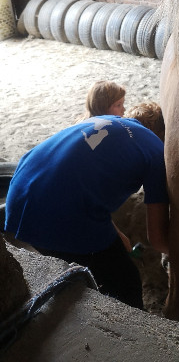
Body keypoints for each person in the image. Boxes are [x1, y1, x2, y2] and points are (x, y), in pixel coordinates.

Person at [4, 112, 169, 310]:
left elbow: (83, 173)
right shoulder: (157, 150)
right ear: (163, 133)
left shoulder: (107, 119)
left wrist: (115, 234)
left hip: (17, 194)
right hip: (59, 212)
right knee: (125, 282)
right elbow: (157, 238)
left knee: (93, 261)